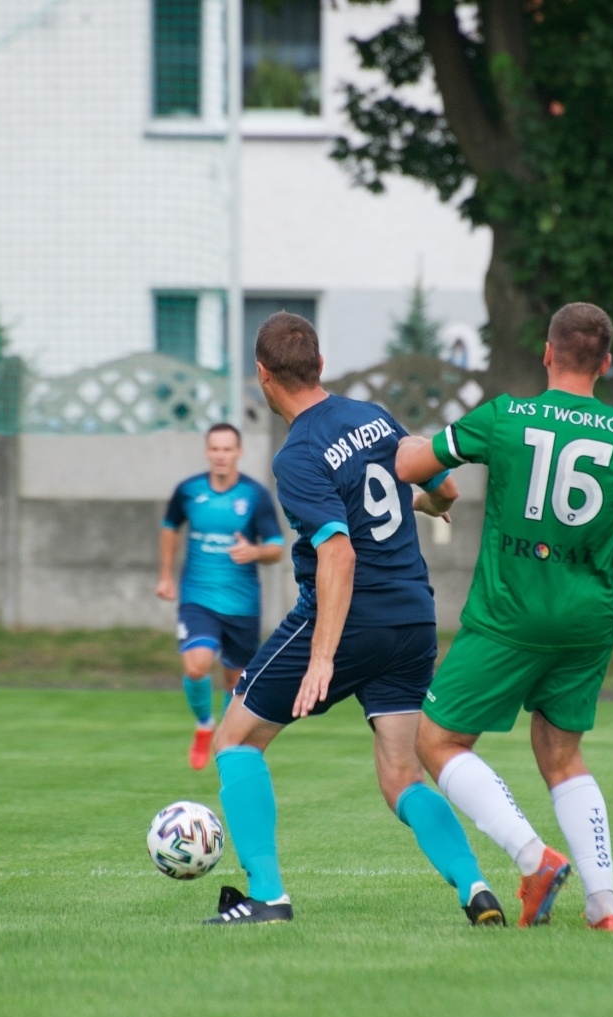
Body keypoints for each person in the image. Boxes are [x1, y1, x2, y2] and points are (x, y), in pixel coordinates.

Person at [394, 302, 613, 931]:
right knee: (562, 755)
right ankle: (605, 908)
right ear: (606, 363)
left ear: (547, 352)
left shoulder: (506, 417)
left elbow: (412, 466)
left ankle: (531, 856)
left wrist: (419, 474)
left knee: (436, 740)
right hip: (587, 621)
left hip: (511, 612)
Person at [204, 312, 504, 927]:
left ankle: (267, 897)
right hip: (413, 619)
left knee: (234, 739)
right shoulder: (374, 417)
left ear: (263, 376)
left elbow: (337, 552)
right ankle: (475, 887)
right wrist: (426, 502)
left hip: (349, 621)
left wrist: (321, 656)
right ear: (319, 365)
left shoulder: (298, 456)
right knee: (401, 774)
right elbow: (439, 488)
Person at [157, 423, 285, 770]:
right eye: (215, 449)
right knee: (196, 665)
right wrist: (166, 576)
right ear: (207, 451)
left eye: (227, 449)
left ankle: (226, 741)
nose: (221, 456)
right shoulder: (188, 491)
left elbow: (277, 547)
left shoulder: (255, 496)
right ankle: (203, 725)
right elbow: (170, 527)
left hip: (241, 605)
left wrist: (254, 552)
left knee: (234, 681)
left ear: (238, 453)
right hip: (197, 597)